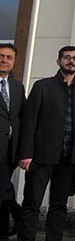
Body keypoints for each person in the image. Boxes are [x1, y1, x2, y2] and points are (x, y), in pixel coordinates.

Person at [17, 46, 75, 241]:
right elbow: (29, 121)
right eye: (67, 57)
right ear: (59, 61)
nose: (71, 61)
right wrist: (26, 153)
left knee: (59, 206)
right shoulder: (42, 86)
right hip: (41, 156)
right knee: (32, 203)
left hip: (68, 158)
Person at [0, 44, 24, 241]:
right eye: (1, 56)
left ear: (14, 61)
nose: (4, 60)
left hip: (9, 151)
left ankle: (4, 230)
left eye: (9, 57)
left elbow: (21, 117)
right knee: (4, 188)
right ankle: (18, 215)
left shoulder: (17, 87)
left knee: (3, 189)